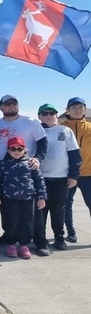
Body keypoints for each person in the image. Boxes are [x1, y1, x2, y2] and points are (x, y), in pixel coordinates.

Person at [0, 95, 48, 244]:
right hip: (4, 173)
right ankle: (10, 236)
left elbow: (43, 143)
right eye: (7, 104)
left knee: (32, 213)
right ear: (1, 107)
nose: (11, 106)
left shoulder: (31, 122)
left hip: (27, 170)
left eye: (14, 103)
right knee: (7, 210)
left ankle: (39, 241)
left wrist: (37, 159)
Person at [34, 104, 81, 253]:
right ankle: (41, 242)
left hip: (60, 178)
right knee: (40, 211)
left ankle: (59, 238)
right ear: (39, 116)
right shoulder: (35, 132)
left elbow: (75, 155)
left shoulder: (65, 131)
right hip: (40, 178)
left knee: (58, 210)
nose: (48, 116)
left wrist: (74, 175)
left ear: (56, 115)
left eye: (52, 113)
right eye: (45, 113)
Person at [0, 137, 47, 259]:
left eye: (20, 148)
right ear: (8, 150)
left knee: (27, 222)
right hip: (9, 199)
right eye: (13, 148)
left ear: (24, 150)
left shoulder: (31, 164)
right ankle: (11, 244)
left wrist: (42, 197)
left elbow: (39, 181)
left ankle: (24, 245)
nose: (16, 151)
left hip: (27, 199)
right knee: (11, 221)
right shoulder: (2, 164)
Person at [61, 97, 91, 243]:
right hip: (68, 174)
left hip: (88, 173)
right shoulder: (62, 128)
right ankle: (71, 232)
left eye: (80, 107)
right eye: (74, 108)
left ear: (85, 109)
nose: (77, 110)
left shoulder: (90, 128)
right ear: (67, 110)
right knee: (66, 204)